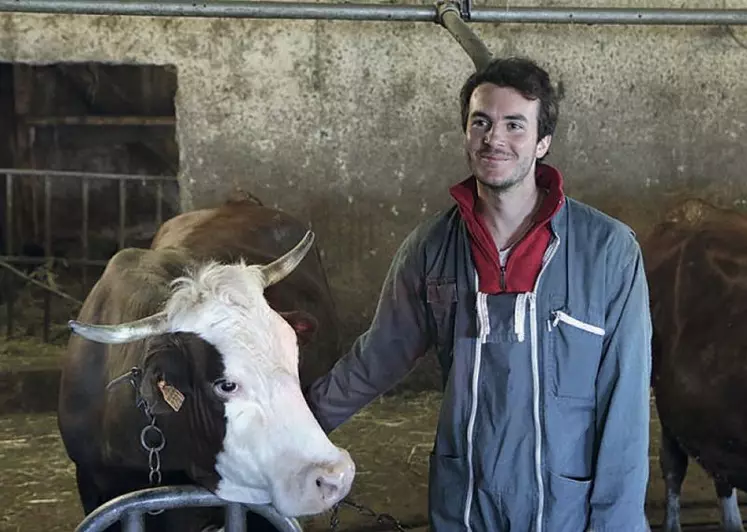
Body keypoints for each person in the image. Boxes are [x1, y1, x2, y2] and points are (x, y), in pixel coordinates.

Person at [304, 56, 652, 532]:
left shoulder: (608, 252)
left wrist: (618, 525)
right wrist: (292, 426)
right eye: (481, 122)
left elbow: (625, 406)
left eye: (514, 124)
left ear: (542, 142)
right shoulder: (431, 249)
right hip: (464, 500)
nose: (495, 138)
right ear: (466, 134)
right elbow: (375, 359)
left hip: (565, 506)